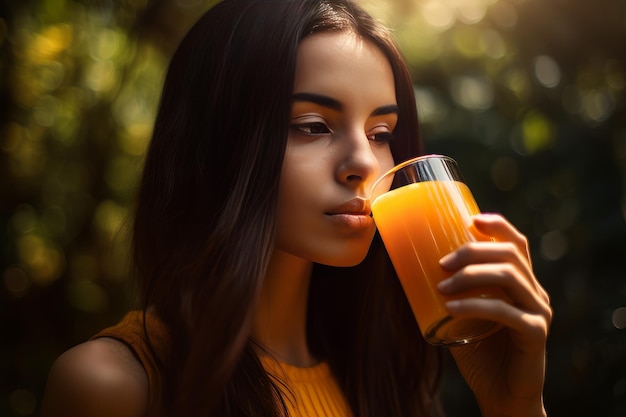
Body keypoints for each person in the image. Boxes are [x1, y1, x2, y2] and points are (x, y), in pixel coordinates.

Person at [40, 0, 552, 416]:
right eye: (313, 125)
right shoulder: (114, 387)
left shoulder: (391, 387)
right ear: (217, 143)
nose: (363, 163)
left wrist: (515, 407)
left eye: (381, 133)